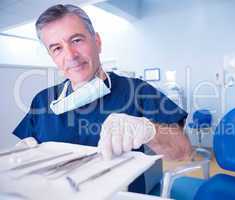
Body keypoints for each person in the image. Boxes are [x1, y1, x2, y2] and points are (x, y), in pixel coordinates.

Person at [13, 4, 192, 193]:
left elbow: (183, 151)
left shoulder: (138, 91)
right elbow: (27, 151)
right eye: (57, 48)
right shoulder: (42, 101)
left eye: (76, 40)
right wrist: (24, 155)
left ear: (97, 42)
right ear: (52, 56)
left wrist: (150, 130)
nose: (70, 55)